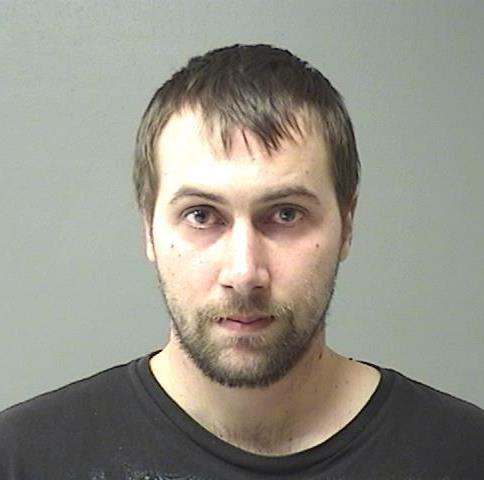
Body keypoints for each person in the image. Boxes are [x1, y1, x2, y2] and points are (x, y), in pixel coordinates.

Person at [1, 44, 483, 480]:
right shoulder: (24, 457)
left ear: (347, 223)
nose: (244, 272)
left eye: (286, 214)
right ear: (148, 228)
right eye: (201, 215)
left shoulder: (465, 455)